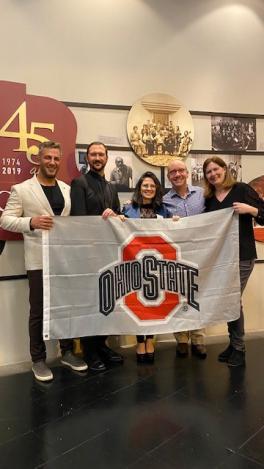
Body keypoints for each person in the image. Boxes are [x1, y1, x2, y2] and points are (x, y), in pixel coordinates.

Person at [0, 141, 88, 381]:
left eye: (56, 159)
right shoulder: (22, 189)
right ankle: (37, 360)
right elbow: (5, 220)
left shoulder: (68, 189)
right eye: (47, 158)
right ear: (39, 159)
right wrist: (30, 222)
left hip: (64, 260)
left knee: (66, 308)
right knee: (38, 311)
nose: (52, 162)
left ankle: (67, 352)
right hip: (38, 261)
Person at [203, 156, 264, 367]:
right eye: (208, 172)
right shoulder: (210, 198)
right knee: (228, 301)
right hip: (221, 258)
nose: (213, 174)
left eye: (215, 169)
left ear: (224, 169)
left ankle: (239, 347)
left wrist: (252, 210)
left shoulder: (242, 189)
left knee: (233, 300)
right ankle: (232, 343)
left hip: (242, 255)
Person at [70, 141, 124, 372]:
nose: (97, 157)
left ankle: (102, 346)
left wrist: (115, 215)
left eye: (101, 154)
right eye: (93, 154)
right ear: (87, 158)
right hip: (89, 253)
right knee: (91, 303)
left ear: (107, 157)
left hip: (109, 253)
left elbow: (120, 217)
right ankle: (90, 351)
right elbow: (79, 221)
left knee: (106, 302)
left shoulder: (112, 187)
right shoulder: (79, 183)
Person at [122, 171, 170, 363]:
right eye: (145, 185)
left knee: (153, 303)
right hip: (135, 263)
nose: (148, 189)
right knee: (137, 303)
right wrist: (119, 219)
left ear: (156, 189)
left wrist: (174, 221)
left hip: (156, 264)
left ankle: (150, 339)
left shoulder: (163, 210)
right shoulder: (128, 209)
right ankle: (139, 340)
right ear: (139, 188)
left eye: (152, 186)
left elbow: (170, 233)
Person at [163, 159, 207, 359]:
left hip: (202, 252)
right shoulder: (164, 200)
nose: (177, 174)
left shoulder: (202, 194)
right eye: (173, 172)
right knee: (178, 294)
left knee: (199, 295)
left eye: (181, 170)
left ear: (187, 172)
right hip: (177, 254)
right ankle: (181, 337)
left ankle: (198, 338)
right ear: (168, 176)